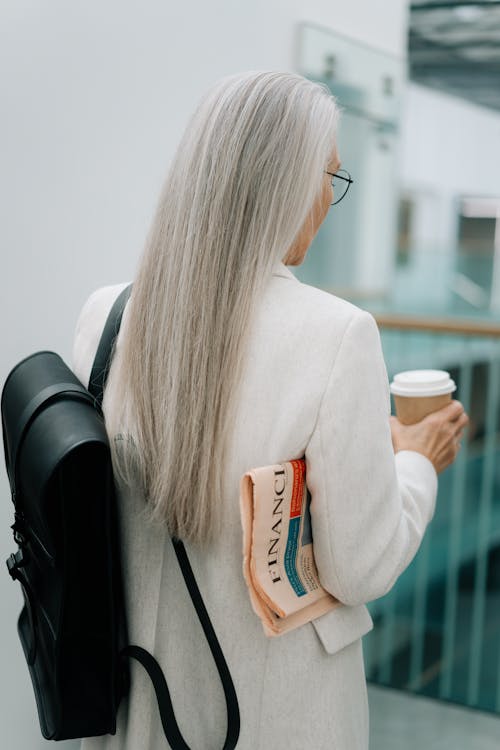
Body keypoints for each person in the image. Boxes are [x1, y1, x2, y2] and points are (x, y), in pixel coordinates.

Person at [72, 71, 468, 750]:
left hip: (135, 703)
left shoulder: (106, 314)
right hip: (275, 718)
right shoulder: (336, 335)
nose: (327, 201)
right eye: (330, 177)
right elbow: (361, 567)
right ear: (283, 180)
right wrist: (416, 462)